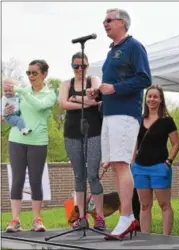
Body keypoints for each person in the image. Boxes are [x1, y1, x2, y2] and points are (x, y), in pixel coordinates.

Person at [86, 8, 151, 239]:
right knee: (115, 164)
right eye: (103, 20)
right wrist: (100, 92)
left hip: (125, 114)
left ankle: (127, 218)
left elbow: (145, 78)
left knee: (122, 164)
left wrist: (115, 88)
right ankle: (127, 217)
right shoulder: (112, 51)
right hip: (110, 113)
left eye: (109, 20)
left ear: (122, 23)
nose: (104, 23)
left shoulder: (133, 46)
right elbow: (113, 84)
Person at [5, 59, 57, 232]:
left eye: (34, 73)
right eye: (28, 73)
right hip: (16, 140)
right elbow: (12, 114)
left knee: (35, 181)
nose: (31, 76)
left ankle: (37, 220)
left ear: (44, 75)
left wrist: (21, 91)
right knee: (17, 180)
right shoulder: (22, 92)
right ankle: (15, 220)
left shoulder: (49, 94)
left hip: (38, 142)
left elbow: (39, 106)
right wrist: (7, 113)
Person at [58, 52, 106, 231]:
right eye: (76, 66)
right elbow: (63, 104)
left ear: (88, 65)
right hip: (72, 133)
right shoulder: (66, 84)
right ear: (72, 66)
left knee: (93, 174)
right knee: (79, 175)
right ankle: (82, 216)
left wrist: (77, 99)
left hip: (93, 131)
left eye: (83, 66)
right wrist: (87, 102)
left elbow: (96, 99)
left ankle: (99, 217)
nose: (80, 70)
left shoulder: (94, 80)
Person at [131, 85, 179, 235]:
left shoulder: (167, 121)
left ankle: (166, 239)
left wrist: (169, 161)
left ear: (160, 100)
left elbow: (176, 143)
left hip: (160, 167)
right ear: (146, 99)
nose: (152, 99)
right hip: (140, 168)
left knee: (164, 205)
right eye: (149, 96)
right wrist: (132, 162)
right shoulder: (139, 119)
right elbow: (135, 142)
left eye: (155, 96)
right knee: (144, 206)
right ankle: (146, 238)